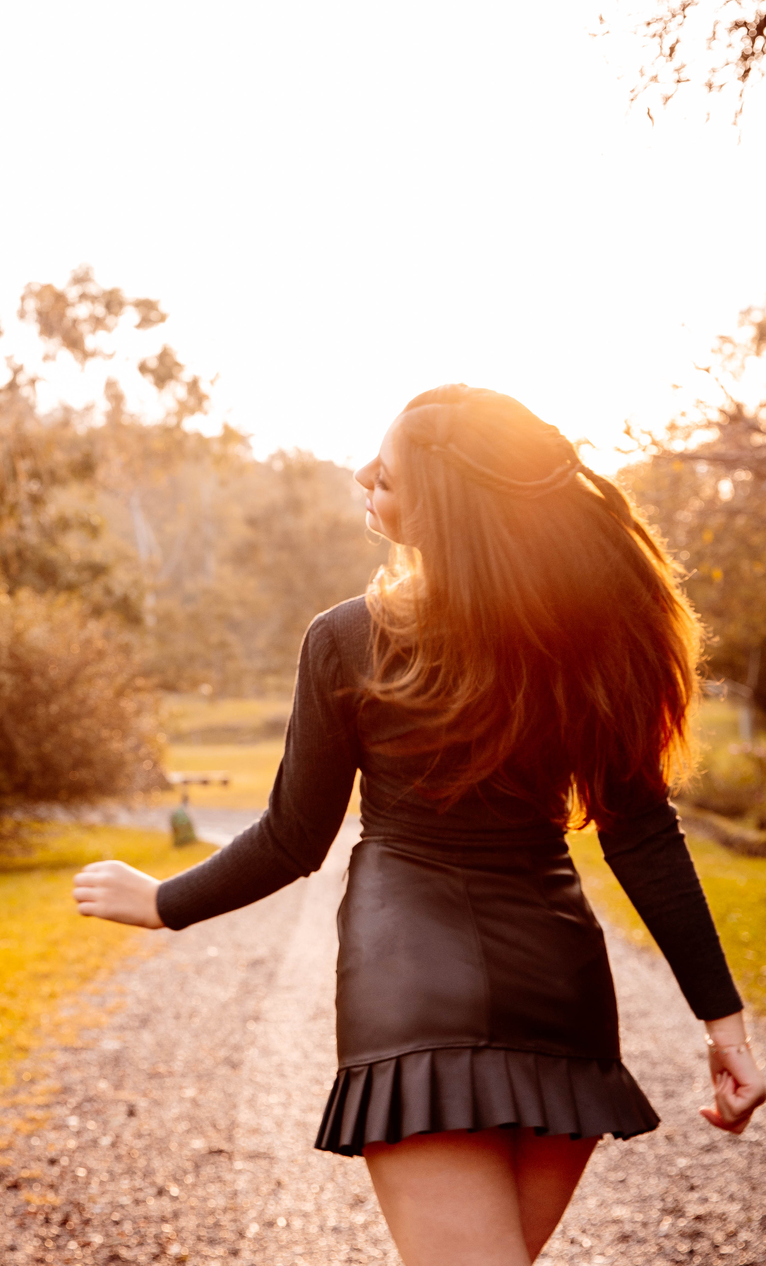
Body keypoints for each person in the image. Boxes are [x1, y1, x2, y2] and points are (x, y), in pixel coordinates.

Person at [72, 386, 765, 1266]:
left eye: (387, 470)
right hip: (559, 983)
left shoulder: (347, 639)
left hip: (409, 983)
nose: (363, 474)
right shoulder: (589, 636)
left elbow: (295, 837)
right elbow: (641, 835)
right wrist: (726, 1029)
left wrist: (163, 900)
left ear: (447, 505)